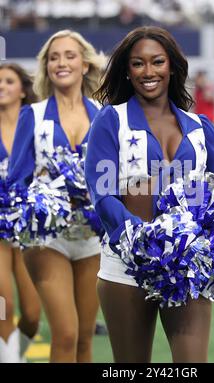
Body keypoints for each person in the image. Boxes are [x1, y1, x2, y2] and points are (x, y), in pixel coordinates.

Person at [85, 26, 214, 363]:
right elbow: (103, 194)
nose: (148, 72)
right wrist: (140, 239)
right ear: (127, 70)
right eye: (138, 64)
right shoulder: (111, 120)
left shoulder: (198, 126)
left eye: (157, 62)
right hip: (127, 263)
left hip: (187, 264)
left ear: (172, 67)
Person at [8, 30, 106, 362]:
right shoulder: (32, 116)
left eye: (69, 55)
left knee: (84, 338)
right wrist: (41, 202)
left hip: (91, 238)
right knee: (65, 333)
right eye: (53, 57)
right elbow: (15, 181)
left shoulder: (103, 115)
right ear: (46, 67)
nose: (61, 62)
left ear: (85, 64)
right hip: (46, 240)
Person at [0, 63, 40, 363]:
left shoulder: (38, 125)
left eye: (8, 81)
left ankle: (16, 355)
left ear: (23, 90)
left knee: (31, 314)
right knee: (5, 306)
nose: (1, 86)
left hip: (28, 229)